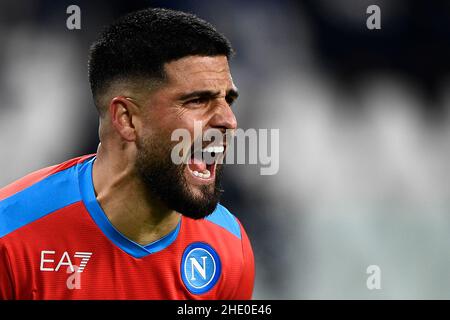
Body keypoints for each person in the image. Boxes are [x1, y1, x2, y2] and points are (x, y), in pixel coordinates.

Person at [0, 8, 254, 300]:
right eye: (197, 100)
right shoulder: (10, 234)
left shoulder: (230, 247)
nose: (229, 121)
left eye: (227, 100)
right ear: (127, 119)